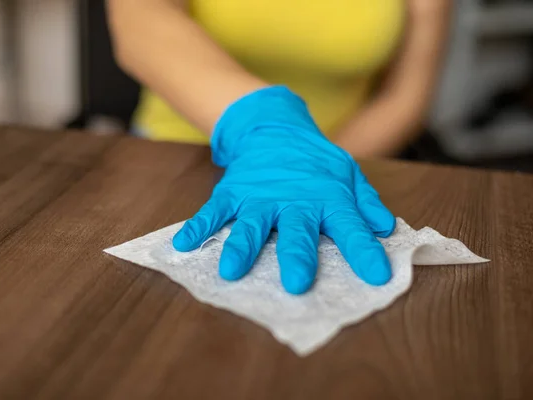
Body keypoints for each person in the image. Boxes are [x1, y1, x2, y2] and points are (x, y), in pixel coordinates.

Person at [107, 0, 451, 294]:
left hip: (336, 169)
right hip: (178, 158)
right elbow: (139, 19)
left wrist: (312, 160)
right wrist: (266, 126)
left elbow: (406, 95)